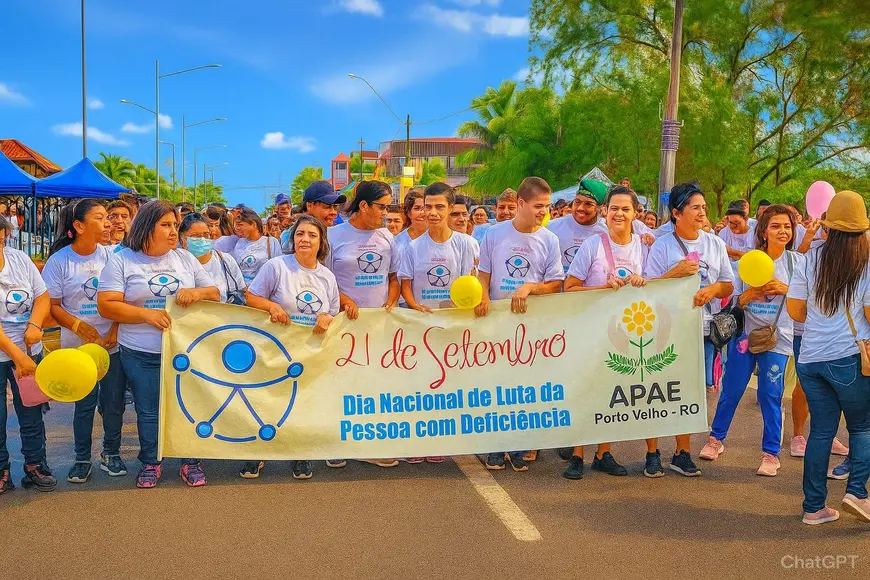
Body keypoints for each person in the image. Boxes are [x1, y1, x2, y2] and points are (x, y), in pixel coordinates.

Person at [97, 200, 220, 488]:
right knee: (149, 409)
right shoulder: (123, 260)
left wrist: (196, 293)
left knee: (187, 406)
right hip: (140, 352)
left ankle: (190, 461)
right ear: (146, 227)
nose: (174, 231)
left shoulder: (185, 259)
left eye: (175, 225)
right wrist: (145, 315)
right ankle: (152, 461)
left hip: (184, 351)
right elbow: (106, 305)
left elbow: (215, 292)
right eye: (165, 225)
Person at [563, 186, 659, 479]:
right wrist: (602, 289)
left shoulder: (645, 246)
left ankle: (603, 453)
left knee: (612, 395)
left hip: (627, 333)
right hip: (590, 330)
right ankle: (577, 454)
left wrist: (645, 283)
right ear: (605, 212)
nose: (619, 214)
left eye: (625, 209)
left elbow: (658, 286)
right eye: (614, 208)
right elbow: (569, 288)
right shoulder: (592, 245)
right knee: (585, 392)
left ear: (635, 214)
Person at [786, 190, 870, 525]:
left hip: (810, 357)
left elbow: (796, 311)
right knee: (862, 427)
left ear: (829, 226)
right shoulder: (866, 261)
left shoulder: (808, 257)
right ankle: (858, 494)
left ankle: (814, 508)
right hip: (849, 357)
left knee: (821, 431)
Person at [700, 204, 798, 476]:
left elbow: (808, 302)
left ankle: (771, 454)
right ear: (763, 231)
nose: (782, 231)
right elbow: (733, 300)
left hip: (777, 340)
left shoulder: (797, 263)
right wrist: (747, 297)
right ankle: (716, 439)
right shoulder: (748, 262)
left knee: (770, 394)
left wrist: (785, 289)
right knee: (731, 390)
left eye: (787, 226)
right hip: (744, 338)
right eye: (776, 226)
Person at [644, 181, 734, 477]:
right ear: (676, 213)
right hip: (665, 329)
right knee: (657, 390)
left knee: (690, 392)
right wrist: (675, 273)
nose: (701, 213)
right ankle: (652, 452)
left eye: (704, 208)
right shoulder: (662, 245)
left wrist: (712, 291)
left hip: (703, 329)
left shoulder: (715, 243)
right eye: (694, 207)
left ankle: (682, 452)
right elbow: (647, 289)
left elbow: (728, 284)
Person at [475, 177, 564, 472]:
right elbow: (484, 273)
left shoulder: (549, 239)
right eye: (539, 206)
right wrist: (483, 298)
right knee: (496, 385)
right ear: (521, 204)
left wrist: (529, 288)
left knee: (524, 387)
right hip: (497, 323)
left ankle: (519, 444)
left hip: (531, 326)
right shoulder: (494, 234)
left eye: (547, 206)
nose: (543, 211)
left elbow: (554, 285)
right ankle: (494, 447)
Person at [246, 215, 340, 480]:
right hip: (274, 349)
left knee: (302, 404)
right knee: (266, 403)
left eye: (312, 235)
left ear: (321, 242)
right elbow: (252, 297)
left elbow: (332, 312)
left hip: (309, 352)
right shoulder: (276, 267)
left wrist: (327, 318)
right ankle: (257, 455)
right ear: (292, 238)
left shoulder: (327, 277)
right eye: (300, 234)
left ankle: (302, 456)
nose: (305, 239)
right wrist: (271, 306)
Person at [42, 200, 127, 484]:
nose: (108, 224)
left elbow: (122, 298)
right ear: (78, 226)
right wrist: (79, 326)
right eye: (100, 218)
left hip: (111, 346)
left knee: (114, 403)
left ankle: (111, 453)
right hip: (76, 351)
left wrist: (114, 329)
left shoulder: (114, 257)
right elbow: (52, 306)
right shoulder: (59, 261)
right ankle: (81, 459)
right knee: (84, 405)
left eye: (108, 218)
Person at [325, 180, 401, 469]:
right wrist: (345, 301)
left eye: (388, 207)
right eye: (381, 207)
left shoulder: (387, 237)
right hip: (344, 323)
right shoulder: (334, 236)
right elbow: (325, 278)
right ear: (364, 205)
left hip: (378, 326)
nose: (385, 213)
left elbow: (393, 277)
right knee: (342, 383)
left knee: (373, 385)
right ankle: (336, 443)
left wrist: (391, 303)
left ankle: (369, 443)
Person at [0, 215, 52, 494]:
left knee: (31, 412)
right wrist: (18, 356)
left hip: (30, 348)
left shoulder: (19, 258)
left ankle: (35, 466)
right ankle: (1, 470)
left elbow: (42, 296)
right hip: (15, 354)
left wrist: (34, 324)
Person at [399, 183, 477, 314]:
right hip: (422, 323)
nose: (433, 213)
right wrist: (416, 306)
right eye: (428, 207)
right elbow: (405, 284)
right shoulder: (412, 247)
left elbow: (471, 282)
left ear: (450, 208)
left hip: (456, 321)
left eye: (439, 207)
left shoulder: (467, 244)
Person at [178, 213, 246, 304]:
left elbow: (242, 290)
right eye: (195, 236)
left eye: (206, 235)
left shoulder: (225, 260)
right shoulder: (176, 262)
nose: (202, 240)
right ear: (182, 239)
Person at [547, 179, 608, 273]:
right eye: (577, 202)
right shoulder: (552, 228)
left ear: (600, 207)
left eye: (588, 204)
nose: (580, 208)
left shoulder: (605, 234)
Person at [281, 181, 347, 253]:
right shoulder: (291, 238)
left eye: (335, 207)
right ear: (309, 206)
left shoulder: (332, 233)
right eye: (327, 207)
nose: (334, 213)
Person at [231, 208, 283, 284]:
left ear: (254, 225)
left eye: (240, 224)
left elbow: (278, 269)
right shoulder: (239, 242)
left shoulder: (271, 242)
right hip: (243, 290)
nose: (237, 228)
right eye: (235, 225)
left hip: (263, 289)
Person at [718, 201, 756, 287]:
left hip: (751, 278)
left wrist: (732, 252)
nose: (733, 226)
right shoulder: (723, 234)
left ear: (746, 219)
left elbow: (756, 260)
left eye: (737, 223)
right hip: (730, 280)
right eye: (731, 222)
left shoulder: (755, 235)